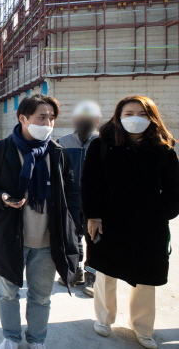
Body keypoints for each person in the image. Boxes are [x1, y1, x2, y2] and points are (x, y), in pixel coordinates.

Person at [0, 94, 81, 349]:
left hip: (47, 240)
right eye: (41, 117)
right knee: (8, 293)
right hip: (10, 236)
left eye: (51, 118)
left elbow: (73, 194)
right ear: (23, 118)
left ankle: (36, 340)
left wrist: (74, 231)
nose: (47, 123)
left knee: (41, 297)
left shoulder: (58, 154)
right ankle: (11, 337)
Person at [81, 95, 179, 349]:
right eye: (128, 113)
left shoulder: (164, 148)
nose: (135, 118)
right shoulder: (101, 145)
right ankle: (104, 318)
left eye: (142, 114)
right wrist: (93, 214)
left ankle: (143, 328)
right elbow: (90, 183)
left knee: (148, 276)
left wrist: (165, 213)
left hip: (150, 223)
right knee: (105, 271)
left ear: (152, 117)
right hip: (109, 219)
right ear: (119, 117)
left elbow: (173, 188)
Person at [56, 100, 102, 296]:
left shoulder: (103, 143)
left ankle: (93, 278)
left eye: (90, 118)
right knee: (73, 237)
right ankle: (76, 272)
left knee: (95, 238)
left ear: (97, 120)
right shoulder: (62, 143)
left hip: (97, 199)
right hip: (70, 198)